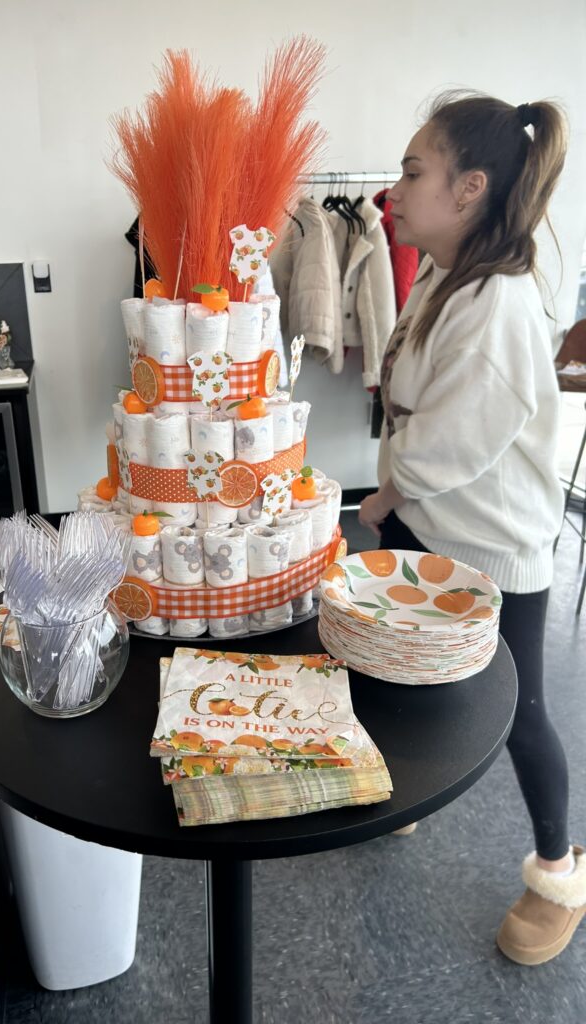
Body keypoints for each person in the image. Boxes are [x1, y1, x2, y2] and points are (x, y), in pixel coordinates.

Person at [358, 91, 584, 966]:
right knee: (406, 670)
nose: (395, 190)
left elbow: (447, 443)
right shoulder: (450, 279)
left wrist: (379, 502)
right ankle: (409, 796)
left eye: (415, 172)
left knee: (521, 711)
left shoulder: (497, 305)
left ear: (470, 188)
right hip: (431, 526)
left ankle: (558, 871)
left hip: (492, 550)